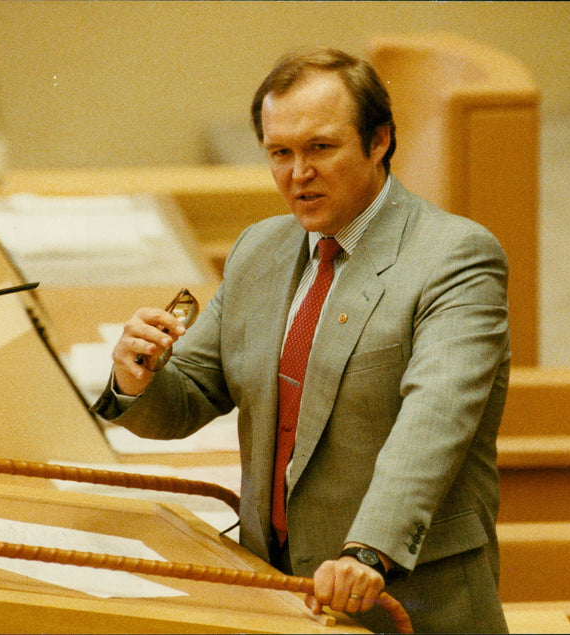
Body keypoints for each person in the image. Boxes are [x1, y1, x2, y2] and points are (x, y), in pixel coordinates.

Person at [92, 47, 510, 633]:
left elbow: (434, 422)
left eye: (320, 148)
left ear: (379, 141)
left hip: (408, 598)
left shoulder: (455, 258)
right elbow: (190, 396)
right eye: (279, 153)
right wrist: (138, 377)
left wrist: (369, 550)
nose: (298, 173)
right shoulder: (259, 249)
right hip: (281, 597)